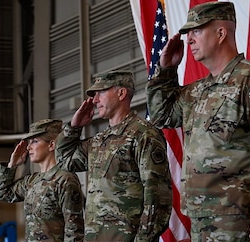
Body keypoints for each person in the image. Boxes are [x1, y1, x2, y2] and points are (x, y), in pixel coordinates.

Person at [146, 1, 250, 241]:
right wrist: (166, 70)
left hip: (238, 217)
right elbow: (162, 115)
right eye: (188, 33)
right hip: (201, 218)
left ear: (221, 33)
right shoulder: (198, 91)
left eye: (196, 31)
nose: (189, 40)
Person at [55, 70, 173, 241]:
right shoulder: (98, 141)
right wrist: (73, 127)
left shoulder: (143, 134)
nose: (95, 100)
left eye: (101, 92)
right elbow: (64, 159)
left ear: (121, 93)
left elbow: (158, 197)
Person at [0, 119, 84, 242]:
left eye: (35, 141)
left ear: (52, 145)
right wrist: (12, 165)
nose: (28, 147)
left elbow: (74, 230)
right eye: (29, 142)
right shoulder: (32, 181)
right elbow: (3, 194)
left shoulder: (65, 179)